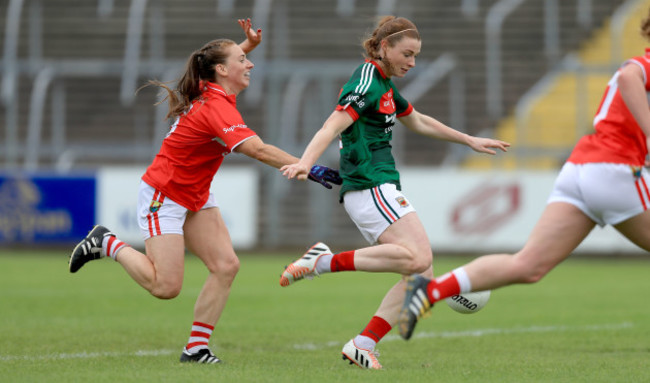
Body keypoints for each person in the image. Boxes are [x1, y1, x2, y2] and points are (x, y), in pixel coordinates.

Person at [68, 19, 341, 364]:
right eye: (243, 61)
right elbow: (256, 149)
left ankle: (196, 349)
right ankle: (106, 242)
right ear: (223, 70)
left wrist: (246, 47)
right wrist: (307, 165)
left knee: (226, 266)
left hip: (195, 194)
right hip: (164, 193)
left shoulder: (213, 87)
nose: (250, 65)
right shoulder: (216, 107)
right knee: (165, 287)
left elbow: (216, 62)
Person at [398, 10, 650, 341]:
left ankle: (430, 290)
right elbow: (630, 76)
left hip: (581, 170)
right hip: (614, 171)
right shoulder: (642, 64)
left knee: (528, 266)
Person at [278, 16, 510, 369]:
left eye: (416, 56)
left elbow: (417, 120)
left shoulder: (385, 83)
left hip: (380, 185)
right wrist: (306, 162)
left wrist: (468, 139)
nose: (412, 63)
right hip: (369, 184)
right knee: (419, 259)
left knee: (421, 274)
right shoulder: (368, 80)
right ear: (384, 47)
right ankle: (321, 263)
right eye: (407, 54)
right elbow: (332, 123)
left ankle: (363, 344)